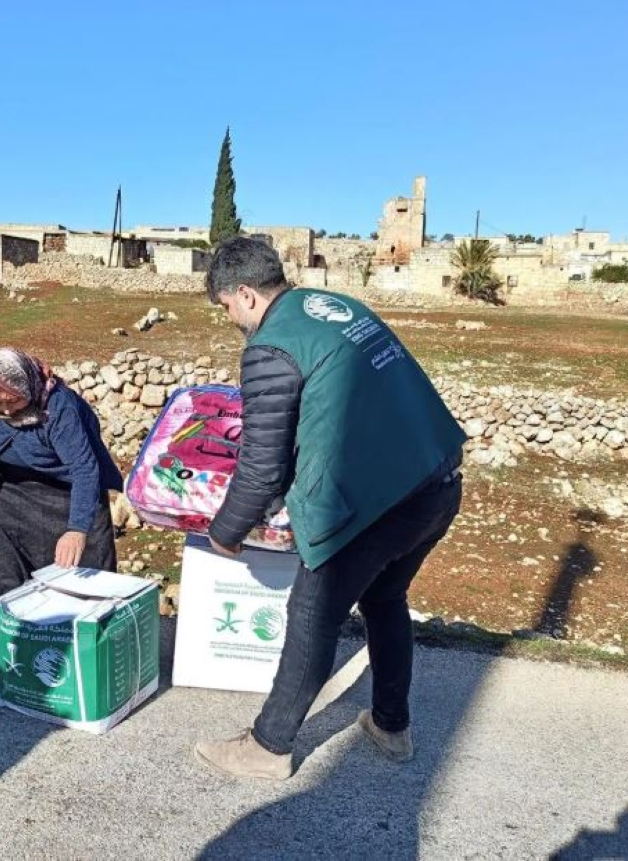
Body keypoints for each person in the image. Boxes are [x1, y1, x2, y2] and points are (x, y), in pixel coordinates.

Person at [194, 237, 467, 781]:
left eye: (226, 307)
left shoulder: (271, 345)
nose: (230, 320)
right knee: (386, 596)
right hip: (436, 482)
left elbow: (262, 465)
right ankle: (391, 727)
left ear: (245, 294)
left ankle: (269, 748)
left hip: (370, 507)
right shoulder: (340, 310)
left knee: (312, 616)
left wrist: (225, 531)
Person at [0, 347, 122, 598]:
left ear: (29, 387)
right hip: (9, 483)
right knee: (7, 562)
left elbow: (84, 469)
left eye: (13, 401)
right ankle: (15, 622)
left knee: (86, 567)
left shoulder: (59, 407)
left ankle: (88, 630)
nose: (5, 410)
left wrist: (77, 530)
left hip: (67, 488)